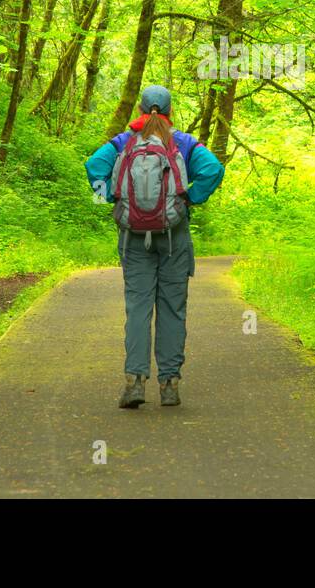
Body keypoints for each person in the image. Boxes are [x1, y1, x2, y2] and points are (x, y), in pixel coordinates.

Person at [85, 85, 225, 408]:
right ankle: (169, 385)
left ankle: (134, 382)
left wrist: (112, 197)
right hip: (175, 237)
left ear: (140, 109)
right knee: (173, 309)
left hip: (134, 239)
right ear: (170, 111)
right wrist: (190, 198)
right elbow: (213, 170)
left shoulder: (123, 141)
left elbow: (94, 167)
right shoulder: (185, 142)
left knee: (138, 307)